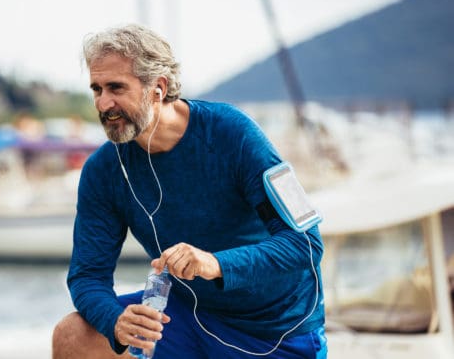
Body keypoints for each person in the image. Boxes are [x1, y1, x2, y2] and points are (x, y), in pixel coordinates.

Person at [52, 24, 327, 359]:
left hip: (272, 329)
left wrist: (214, 263)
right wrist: (115, 321)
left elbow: (305, 243)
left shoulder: (233, 134)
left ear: (157, 87)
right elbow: (87, 275)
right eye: (96, 89)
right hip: (183, 318)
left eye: (116, 88)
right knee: (73, 336)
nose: (103, 103)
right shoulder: (104, 169)